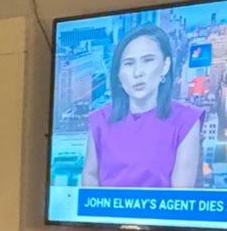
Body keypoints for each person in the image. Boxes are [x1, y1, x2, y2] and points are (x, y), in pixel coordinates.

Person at [81, 25, 204, 189]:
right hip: (106, 206)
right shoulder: (100, 120)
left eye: (148, 60)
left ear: (165, 66)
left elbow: (180, 196)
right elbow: (90, 175)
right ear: (118, 74)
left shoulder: (186, 120)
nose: (138, 72)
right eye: (128, 63)